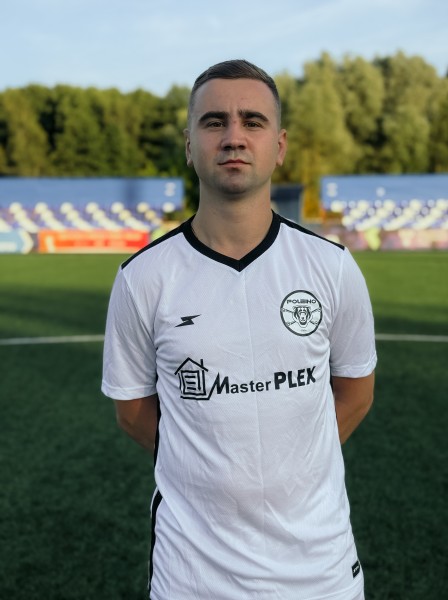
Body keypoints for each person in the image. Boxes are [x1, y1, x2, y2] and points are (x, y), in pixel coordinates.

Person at [102, 59, 377, 600]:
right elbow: (132, 409)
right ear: (190, 145)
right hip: (193, 577)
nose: (233, 136)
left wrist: (290, 462)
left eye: (253, 121)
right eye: (214, 122)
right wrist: (206, 463)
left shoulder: (332, 267)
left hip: (320, 572)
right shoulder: (143, 279)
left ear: (279, 145)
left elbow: (356, 391)